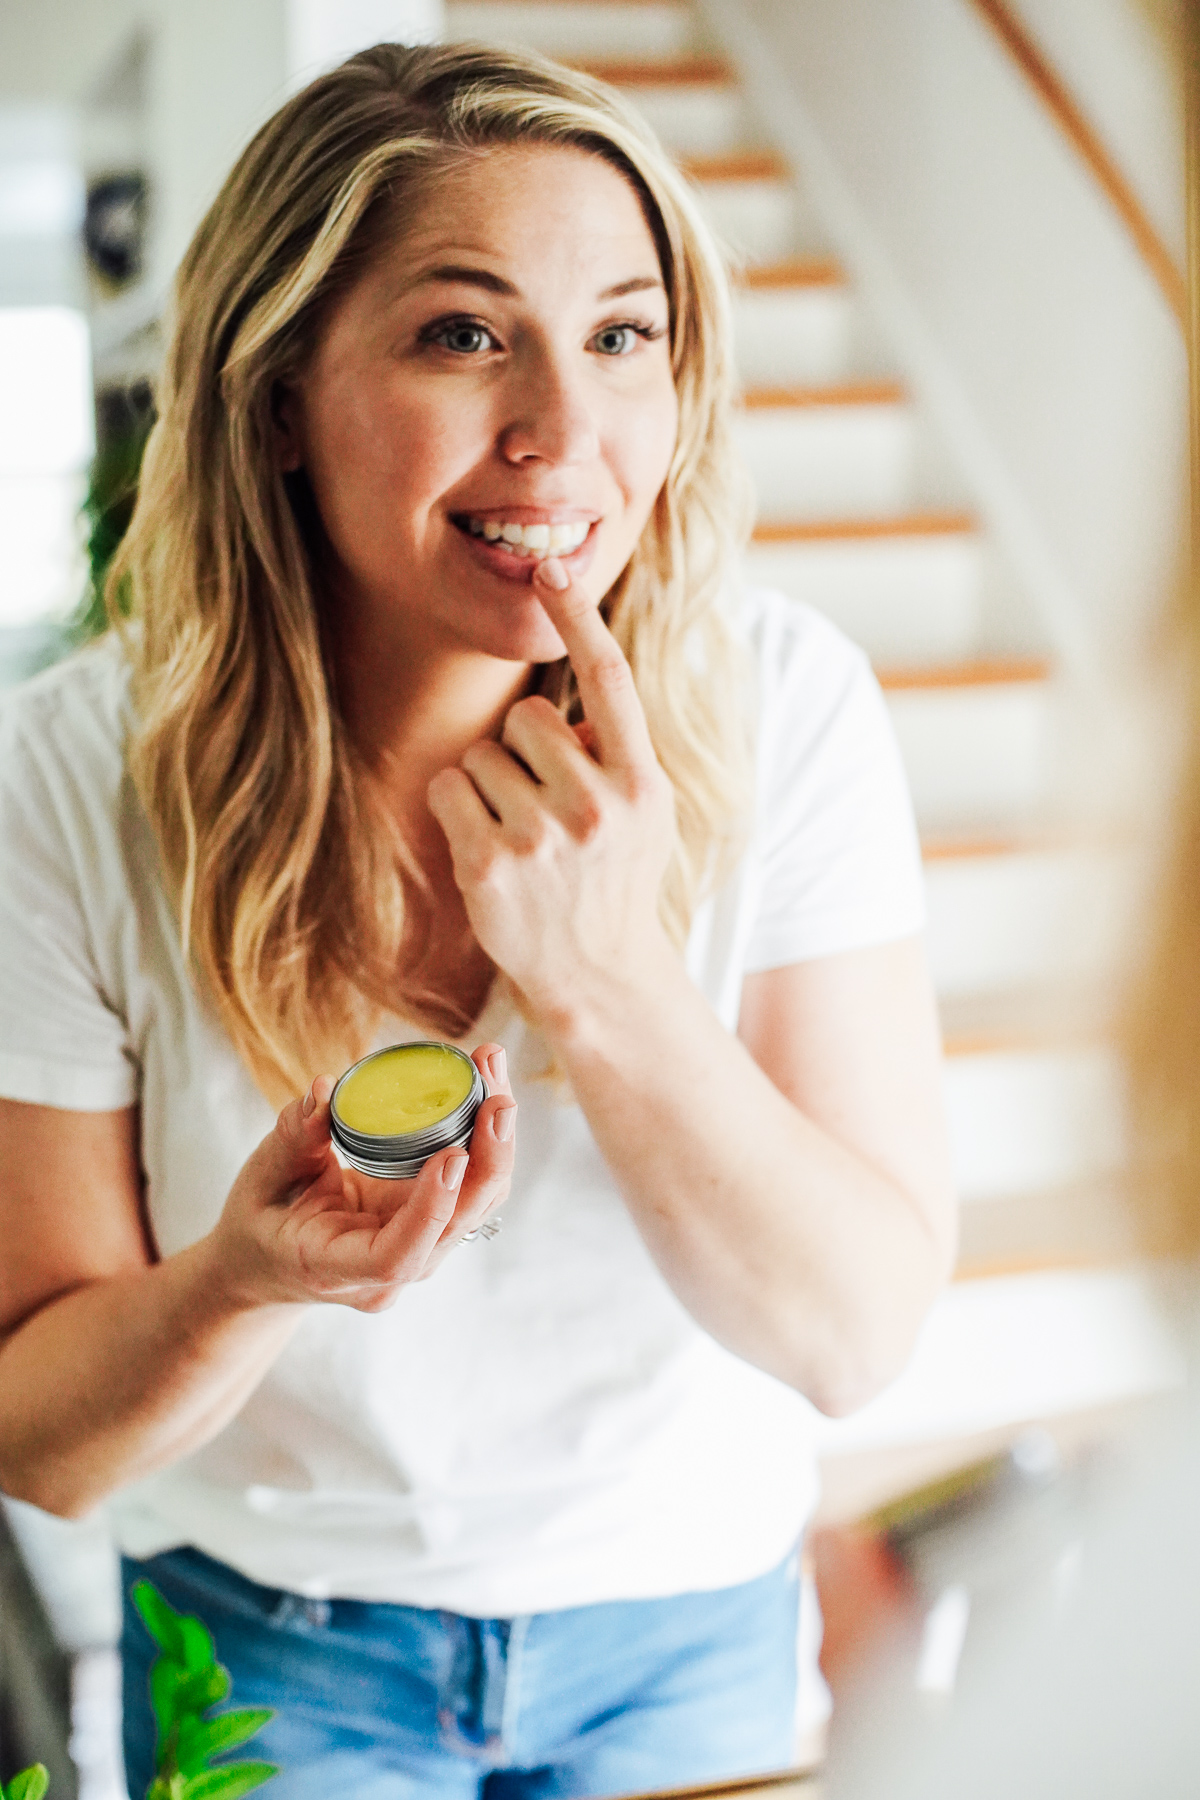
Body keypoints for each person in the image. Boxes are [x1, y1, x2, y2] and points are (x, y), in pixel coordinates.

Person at [0, 42, 955, 1800]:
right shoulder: (73, 775)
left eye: (622, 335)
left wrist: (610, 985)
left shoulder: (790, 706)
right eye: (463, 334)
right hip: (272, 1640)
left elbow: (854, 1335)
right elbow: (40, 1445)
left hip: (688, 1626)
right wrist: (240, 1281)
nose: (565, 438)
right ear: (278, 396)